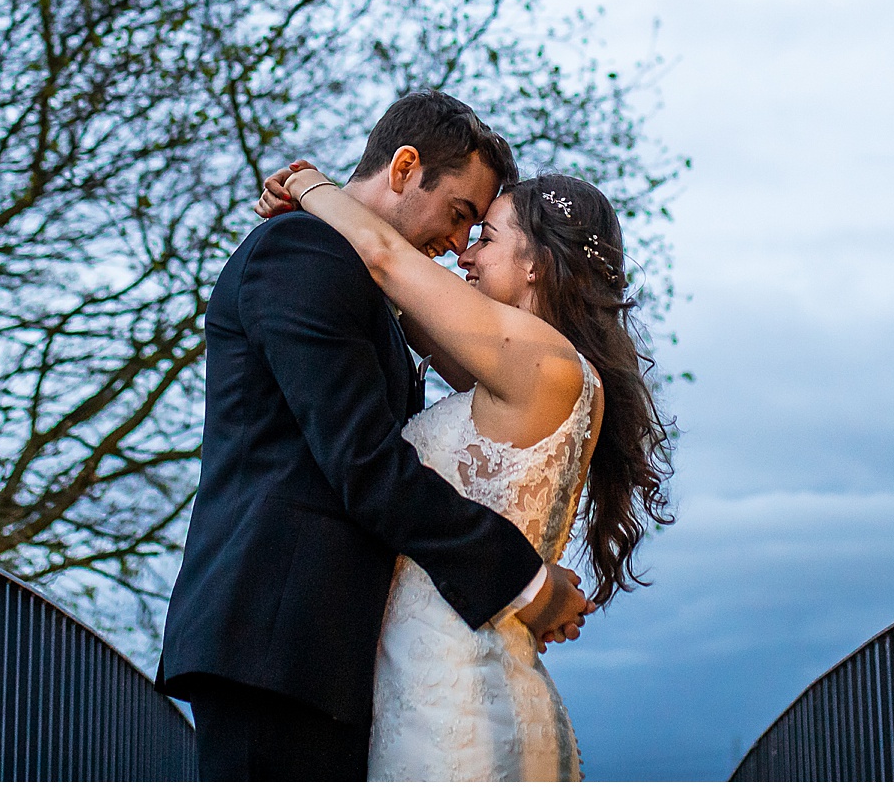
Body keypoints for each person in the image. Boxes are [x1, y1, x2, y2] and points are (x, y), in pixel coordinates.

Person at [157, 91, 594, 781]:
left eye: (476, 230)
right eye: (458, 215)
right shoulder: (300, 250)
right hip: (277, 647)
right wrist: (521, 576)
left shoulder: (365, 288)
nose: (457, 247)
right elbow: (365, 463)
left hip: (328, 658)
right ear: (404, 167)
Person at [250, 153, 673, 781]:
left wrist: (311, 187)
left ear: (536, 263)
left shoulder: (541, 360)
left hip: (456, 702)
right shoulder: (536, 369)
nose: (463, 255)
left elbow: (389, 261)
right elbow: (409, 312)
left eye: (487, 237)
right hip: (449, 682)